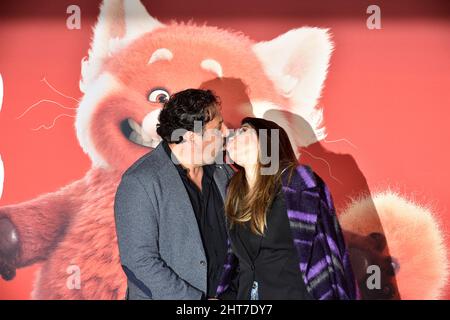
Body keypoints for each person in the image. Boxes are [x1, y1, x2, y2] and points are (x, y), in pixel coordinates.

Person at [217, 117, 358, 300]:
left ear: (267, 140)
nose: (233, 136)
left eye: (244, 130)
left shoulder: (298, 182)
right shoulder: (233, 189)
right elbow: (238, 262)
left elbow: (326, 249)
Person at [114, 89, 234, 299]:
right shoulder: (140, 182)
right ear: (192, 137)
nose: (226, 132)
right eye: (218, 127)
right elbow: (139, 262)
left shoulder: (223, 172)